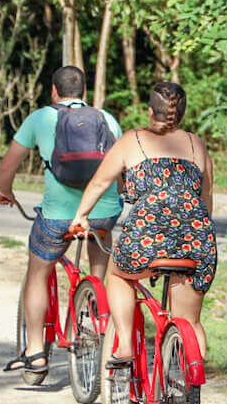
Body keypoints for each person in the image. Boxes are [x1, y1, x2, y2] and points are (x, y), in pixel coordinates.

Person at [69, 81, 216, 364]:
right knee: (190, 320)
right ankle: (191, 386)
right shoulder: (197, 144)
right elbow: (206, 198)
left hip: (146, 236)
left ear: (151, 112)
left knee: (117, 275)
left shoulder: (131, 140)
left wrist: (81, 216)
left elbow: (100, 181)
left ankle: (124, 343)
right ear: (182, 114)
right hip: (196, 238)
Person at [0, 65, 123, 375]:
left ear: (53, 91)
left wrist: (6, 191)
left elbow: (8, 166)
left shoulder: (40, 118)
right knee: (100, 254)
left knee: (38, 272)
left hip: (57, 217)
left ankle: (36, 352)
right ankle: (95, 305)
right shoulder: (107, 119)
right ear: (84, 93)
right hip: (102, 213)